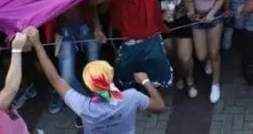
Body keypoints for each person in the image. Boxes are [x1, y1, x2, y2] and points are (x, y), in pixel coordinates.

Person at [29, 28, 167, 132]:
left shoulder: (84, 106)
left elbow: (54, 79)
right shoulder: (131, 97)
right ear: (111, 77)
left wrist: (36, 43)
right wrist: (145, 81)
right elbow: (160, 106)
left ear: (88, 86)